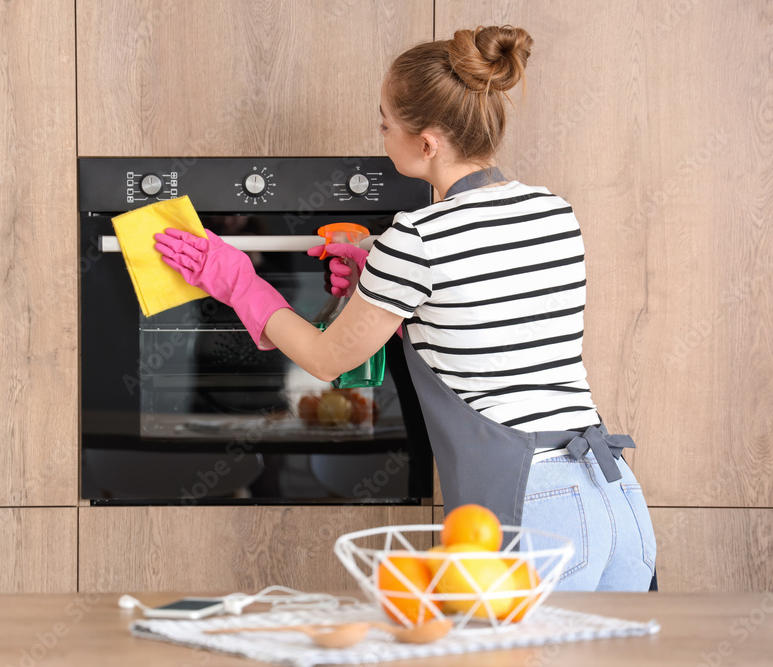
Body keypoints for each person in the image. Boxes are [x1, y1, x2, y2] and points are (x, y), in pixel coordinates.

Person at [155, 25, 657, 592]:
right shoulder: (553, 212)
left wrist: (239, 282)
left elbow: (325, 359)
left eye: (385, 123)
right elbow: (481, 317)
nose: (381, 135)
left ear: (427, 143)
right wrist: (379, 278)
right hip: (611, 495)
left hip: (534, 504)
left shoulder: (416, 237)